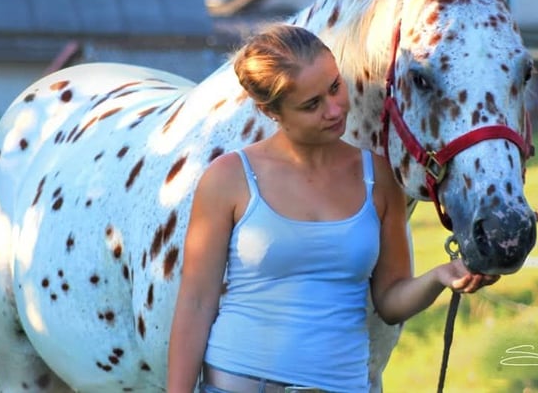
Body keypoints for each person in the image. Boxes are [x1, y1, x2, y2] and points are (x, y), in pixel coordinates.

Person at [167, 23, 499, 393]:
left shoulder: (379, 177)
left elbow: (390, 302)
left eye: (335, 87)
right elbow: (196, 303)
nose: (334, 109)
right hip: (237, 384)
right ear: (271, 111)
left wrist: (440, 277)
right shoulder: (228, 177)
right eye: (312, 105)